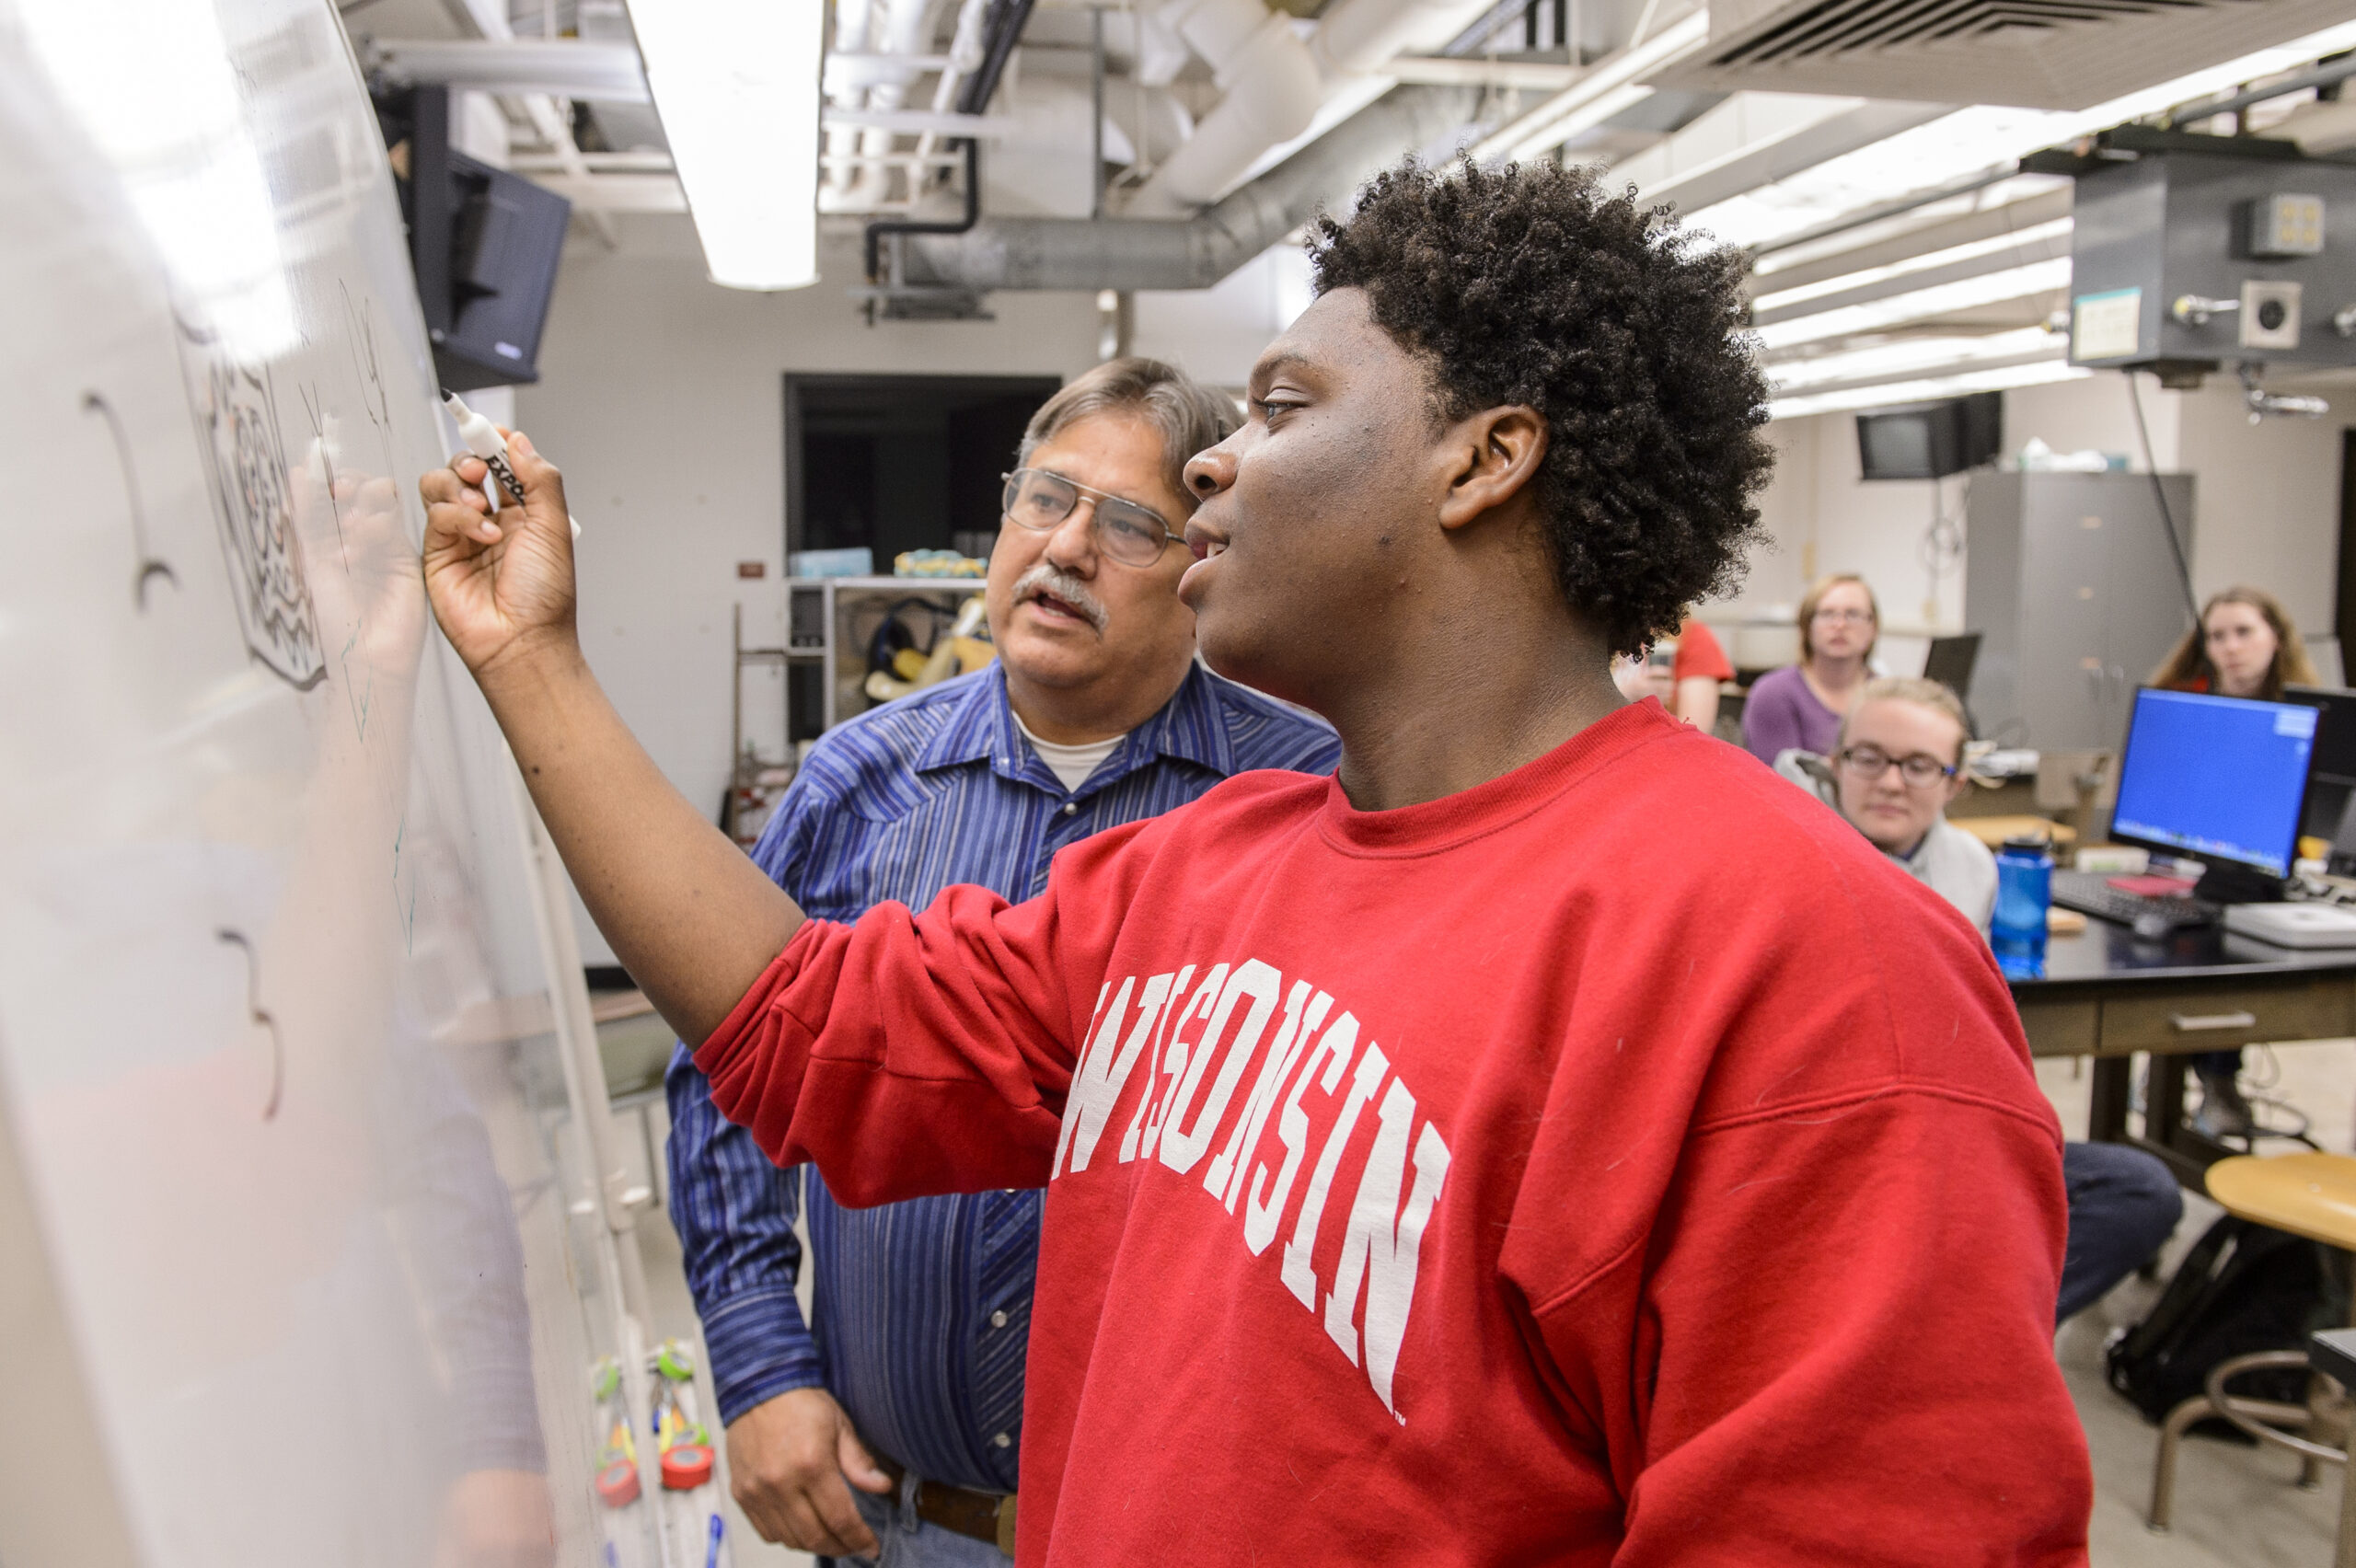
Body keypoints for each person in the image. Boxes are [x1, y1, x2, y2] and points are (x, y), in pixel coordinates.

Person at [421, 158, 2093, 1562]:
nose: (1216, 460)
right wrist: (531, 662)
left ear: (1483, 459)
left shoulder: (1816, 968)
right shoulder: (1208, 867)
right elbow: (808, 1029)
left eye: (1286, 408)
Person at [664, 359, 1339, 1564]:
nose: (1066, 548)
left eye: (1128, 525)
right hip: (899, 1520)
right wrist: (759, 1359)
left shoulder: (1301, 799)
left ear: (1202, 561)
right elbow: (725, 1067)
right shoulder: (858, 782)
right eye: (1045, 498)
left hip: (1183, 1534)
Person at [1826, 678, 2182, 1321]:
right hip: (1840, 1149)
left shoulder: (1973, 867)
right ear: (1836, 761)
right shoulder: (1792, 853)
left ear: (1955, 783)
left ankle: (1974, 1335)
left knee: (2140, 1190)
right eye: (1869, 757)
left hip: (1941, 1137)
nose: (1891, 782)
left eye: (1919, 765)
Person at [2150, 585, 2322, 1137]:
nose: (2230, 647)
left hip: (2272, 881)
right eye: (2217, 636)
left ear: (2276, 638)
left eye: (2243, 632)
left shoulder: (2308, 715)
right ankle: (2198, 1079)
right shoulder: (2181, 708)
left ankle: (2217, 1080)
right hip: (2185, 870)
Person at [1743, 572, 1877, 762]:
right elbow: (1779, 776)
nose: (1840, 624)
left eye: (1853, 614)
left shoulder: (1887, 697)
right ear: (1807, 626)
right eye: (1827, 614)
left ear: (1873, 627)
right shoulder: (1773, 693)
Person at [1611, 617, 1733, 729]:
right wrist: (1624, 694)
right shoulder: (1610, 631)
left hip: (1656, 739)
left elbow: (1694, 730)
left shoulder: (1691, 635)